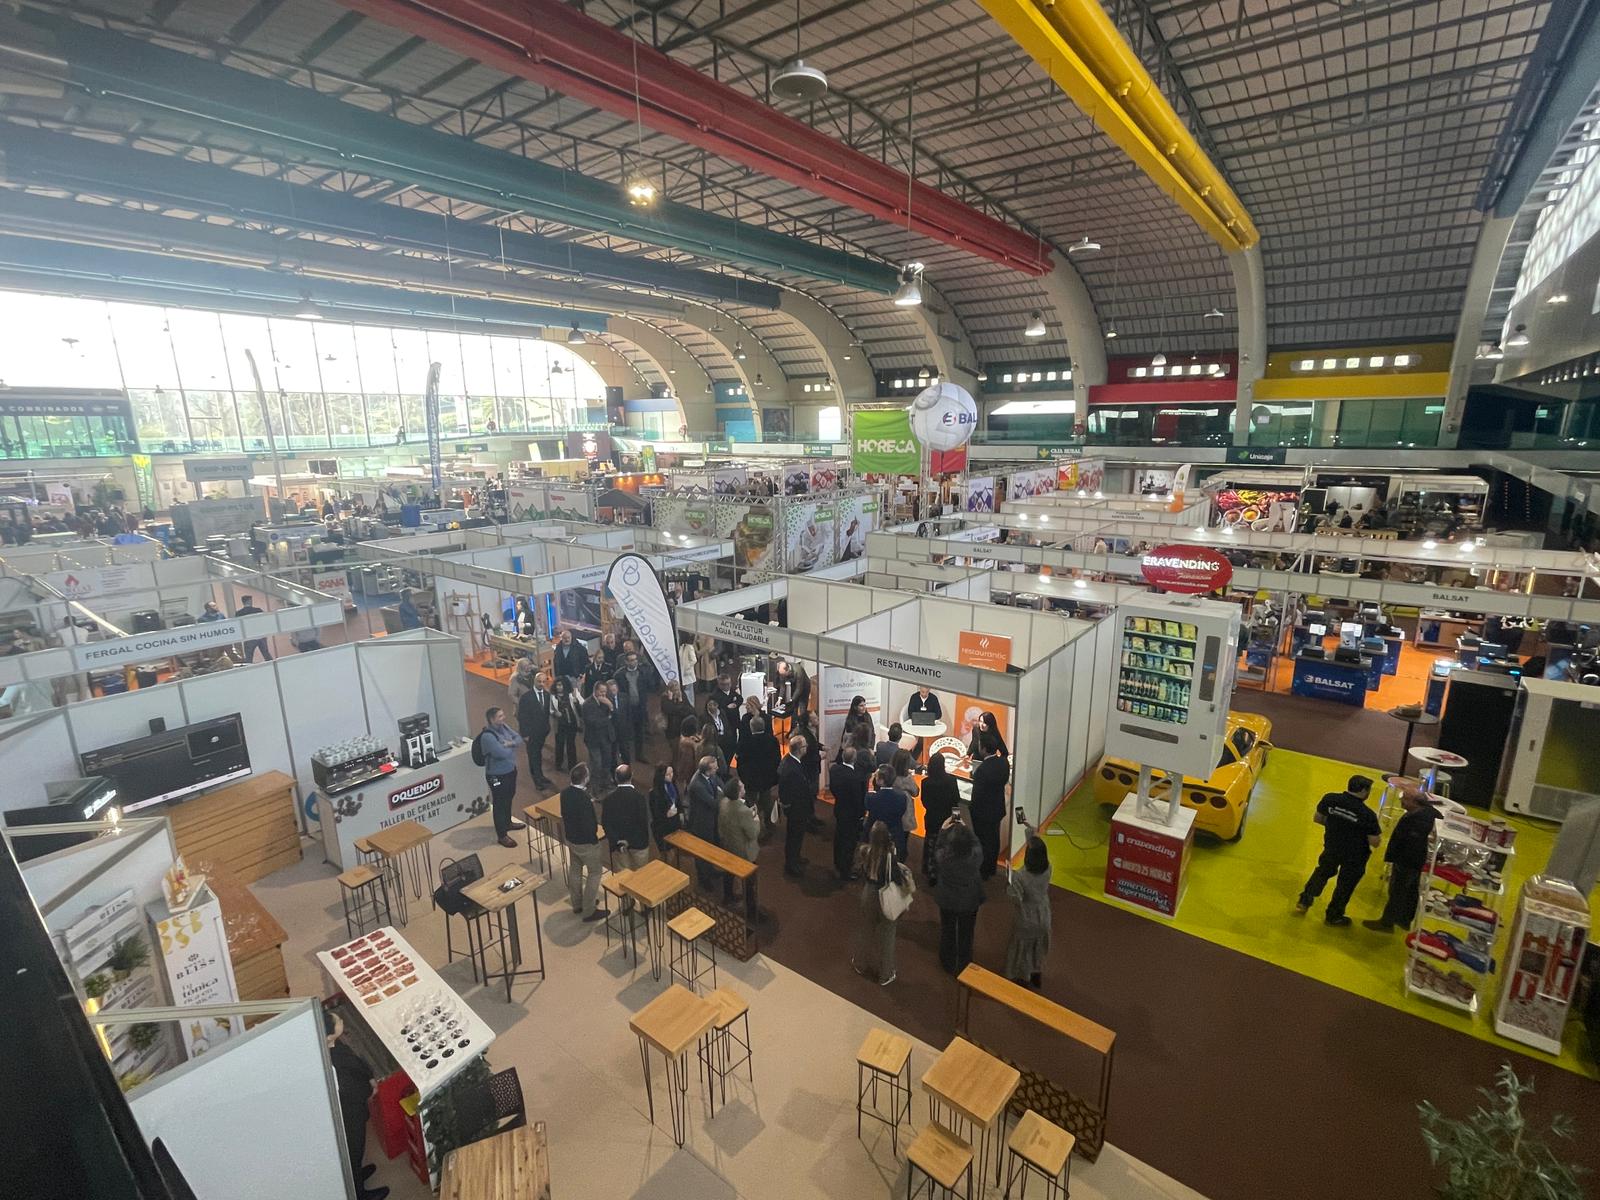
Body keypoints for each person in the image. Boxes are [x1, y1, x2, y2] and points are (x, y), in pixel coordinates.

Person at [1295, 774, 1381, 926]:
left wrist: (1336, 826)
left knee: (1322, 871)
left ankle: (1305, 900)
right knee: (1345, 885)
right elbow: (1374, 842)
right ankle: (1334, 915)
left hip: (1332, 846)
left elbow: (1318, 818)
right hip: (1355, 855)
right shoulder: (1367, 815)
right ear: (1363, 791)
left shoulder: (1330, 799)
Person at [324, 1009, 388, 1200]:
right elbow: (351, 1086)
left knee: (356, 1148)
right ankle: (359, 1193)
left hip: (354, 1105)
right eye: (338, 1022)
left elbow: (357, 1063)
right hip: (349, 1112)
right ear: (328, 1035)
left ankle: (357, 1175)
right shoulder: (334, 1062)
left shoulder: (334, 1045)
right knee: (354, 1149)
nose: (341, 1021)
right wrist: (369, 1089)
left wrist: (369, 1077)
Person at [1364, 787, 1438, 932]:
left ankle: (1387, 923)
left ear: (1415, 802)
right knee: (1409, 890)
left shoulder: (1418, 821)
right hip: (1411, 861)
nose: (1401, 801)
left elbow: (1411, 843)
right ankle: (1404, 920)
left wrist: (1397, 858)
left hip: (1407, 861)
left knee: (1398, 891)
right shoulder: (1426, 813)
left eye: (1405, 799)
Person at [852, 821, 902, 986]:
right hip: (885, 895)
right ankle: (885, 973)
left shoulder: (865, 851)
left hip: (869, 892)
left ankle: (860, 963)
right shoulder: (890, 856)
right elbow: (896, 878)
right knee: (888, 934)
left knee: (866, 929)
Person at [933, 814, 985, 975]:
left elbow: (937, 847)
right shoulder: (975, 856)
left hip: (948, 899)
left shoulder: (944, 858)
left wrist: (943, 831)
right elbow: (976, 843)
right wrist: (967, 829)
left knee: (947, 929)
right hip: (970, 899)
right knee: (967, 932)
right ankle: (965, 961)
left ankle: (947, 961)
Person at [1005, 831, 1052, 987]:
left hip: (1027, 917)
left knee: (1022, 948)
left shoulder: (1020, 876)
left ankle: (1020, 975)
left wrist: (1009, 877)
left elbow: (1015, 897)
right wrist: (1029, 831)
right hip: (1043, 914)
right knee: (1036, 948)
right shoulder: (1048, 868)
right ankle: (1036, 974)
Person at [560, 763, 606, 921]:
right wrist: (593, 837)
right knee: (595, 872)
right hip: (586, 842)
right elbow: (590, 825)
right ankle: (589, 909)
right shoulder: (584, 799)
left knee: (575, 869)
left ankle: (577, 903)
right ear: (585, 779)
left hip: (571, 838)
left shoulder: (565, 793)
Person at [478, 707, 525, 848]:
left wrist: (509, 744)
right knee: (499, 802)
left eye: (503, 714)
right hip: (496, 775)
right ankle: (502, 835)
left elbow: (519, 739)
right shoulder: (487, 737)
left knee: (509, 797)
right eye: (500, 716)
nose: (503, 717)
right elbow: (501, 754)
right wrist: (512, 746)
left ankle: (507, 822)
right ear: (492, 719)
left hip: (510, 770)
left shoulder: (504, 727)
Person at [969, 736, 1010, 880]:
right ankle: (991, 867)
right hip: (997, 807)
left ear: (984, 749)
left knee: (983, 841)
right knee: (994, 839)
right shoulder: (1003, 762)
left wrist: (972, 811)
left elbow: (977, 795)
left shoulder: (982, 770)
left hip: (983, 812)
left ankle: (983, 870)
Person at [736, 715, 780, 838]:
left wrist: (744, 778)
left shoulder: (745, 743)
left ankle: (757, 830)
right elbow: (777, 760)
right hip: (767, 778)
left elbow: (740, 763)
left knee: (751, 803)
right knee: (767, 800)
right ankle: (769, 822)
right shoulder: (773, 740)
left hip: (751, 779)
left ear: (751, 727)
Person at [918, 754, 960, 883]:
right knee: (947, 846)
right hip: (947, 819)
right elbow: (956, 800)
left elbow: (924, 802)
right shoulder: (951, 780)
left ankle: (931, 872)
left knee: (931, 845)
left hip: (932, 819)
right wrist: (956, 819)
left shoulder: (926, 782)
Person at [602, 764, 652, 870]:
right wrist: (630, 841)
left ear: (616, 778)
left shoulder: (608, 800)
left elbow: (606, 824)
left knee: (623, 876)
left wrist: (617, 841)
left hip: (619, 846)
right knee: (642, 874)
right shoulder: (639, 798)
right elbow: (642, 822)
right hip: (638, 844)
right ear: (631, 775)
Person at [686, 755, 724, 892]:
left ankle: (710, 870)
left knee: (710, 847)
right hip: (701, 823)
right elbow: (712, 803)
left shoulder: (710, 775)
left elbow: (720, 785)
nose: (717, 769)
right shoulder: (697, 784)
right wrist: (725, 800)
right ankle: (703, 879)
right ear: (707, 770)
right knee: (702, 852)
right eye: (714, 767)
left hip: (710, 819)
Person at [778, 734, 813, 877]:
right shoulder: (791, 769)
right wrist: (788, 806)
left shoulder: (790, 761)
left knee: (797, 836)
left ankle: (796, 857)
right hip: (796, 809)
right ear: (799, 749)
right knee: (794, 837)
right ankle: (791, 864)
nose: (807, 747)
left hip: (797, 807)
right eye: (805, 745)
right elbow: (787, 792)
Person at [830, 746, 867, 881]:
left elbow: (833, 789)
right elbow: (858, 799)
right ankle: (845, 870)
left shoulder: (835, 770)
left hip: (839, 808)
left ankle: (837, 863)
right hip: (851, 815)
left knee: (839, 838)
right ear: (854, 759)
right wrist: (861, 814)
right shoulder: (855, 777)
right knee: (849, 842)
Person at [515, 670, 557, 789]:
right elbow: (522, 716)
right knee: (533, 756)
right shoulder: (526, 697)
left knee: (538, 754)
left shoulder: (547, 695)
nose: (541, 684)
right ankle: (537, 779)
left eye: (544, 682)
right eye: (539, 681)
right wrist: (525, 734)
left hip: (542, 732)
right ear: (534, 681)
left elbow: (546, 713)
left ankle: (540, 775)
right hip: (530, 733)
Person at [863, 764, 911, 860]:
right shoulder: (902, 797)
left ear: (881, 780)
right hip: (895, 835)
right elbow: (901, 812)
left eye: (876, 776)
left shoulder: (871, 797)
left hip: (875, 835)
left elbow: (868, 809)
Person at [613, 652, 649, 763]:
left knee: (639, 731)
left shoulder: (643, 672)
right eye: (631, 660)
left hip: (639, 706)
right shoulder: (619, 675)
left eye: (635, 659)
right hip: (626, 709)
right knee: (626, 733)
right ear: (626, 662)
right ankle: (626, 757)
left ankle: (640, 754)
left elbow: (648, 686)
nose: (634, 662)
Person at [718, 776, 761, 864]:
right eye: (742, 785)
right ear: (738, 792)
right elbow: (752, 834)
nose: (744, 784)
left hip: (728, 844)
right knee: (748, 870)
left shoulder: (723, 802)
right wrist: (756, 820)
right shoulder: (743, 811)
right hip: (743, 851)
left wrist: (748, 814)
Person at [581, 684, 618, 775]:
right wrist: (608, 718)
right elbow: (593, 723)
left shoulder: (607, 701)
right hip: (593, 739)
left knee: (607, 762)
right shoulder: (587, 704)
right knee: (597, 763)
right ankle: (595, 782)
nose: (604, 694)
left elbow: (616, 718)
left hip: (606, 737)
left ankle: (606, 780)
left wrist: (611, 706)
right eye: (601, 691)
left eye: (605, 691)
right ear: (595, 690)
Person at [550, 676, 582, 772]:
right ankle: (558, 764)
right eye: (558, 685)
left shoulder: (572, 694)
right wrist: (555, 713)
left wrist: (576, 702)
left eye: (561, 685)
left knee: (571, 744)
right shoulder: (552, 696)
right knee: (559, 744)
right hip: (560, 724)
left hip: (571, 723)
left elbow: (582, 705)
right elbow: (550, 709)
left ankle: (572, 765)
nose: (559, 687)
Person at [648, 764, 681, 852]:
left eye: (672, 773)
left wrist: (680, 813)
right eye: (667, 774)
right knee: (667, 853)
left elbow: (678, 801)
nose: (671, 776)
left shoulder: (673, 785)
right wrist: (666, 814)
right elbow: (655, 813)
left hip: (675, 823)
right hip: (663, 827)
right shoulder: (654, 793)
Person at [234, 594, 272, 662]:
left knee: (249, 657)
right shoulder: (258, 610)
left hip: (248, 637)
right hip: (260, 635)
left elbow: (237, 626)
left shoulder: (239, 613)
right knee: (266, 655)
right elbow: (264, 621)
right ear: (250, 601)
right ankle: (273, 666)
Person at [659, 681, 693, 751]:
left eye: (677, 689)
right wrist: (670, 700)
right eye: (674, 690)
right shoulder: (665, 697)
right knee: (674, 748)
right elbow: (669, 710)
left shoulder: (682, 695)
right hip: (671, 727)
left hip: (683, 725)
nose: (676, 692)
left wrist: (680, 701)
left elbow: (689, 710)